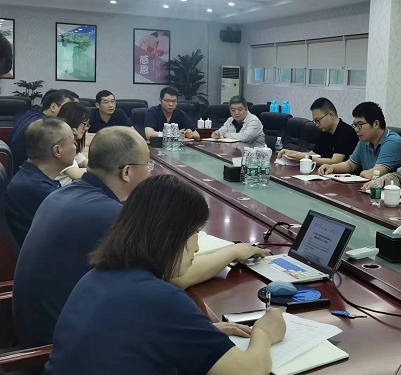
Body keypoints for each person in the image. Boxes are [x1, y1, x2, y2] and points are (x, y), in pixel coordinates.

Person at [13, 126, 270, 347]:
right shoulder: (110, 216)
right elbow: (176, 275)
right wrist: (233, 251)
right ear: (126, 172)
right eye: (147, 165)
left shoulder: (62, 194)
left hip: (41, 328)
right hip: (62, 344)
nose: (149, 172)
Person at [44, 175, 286, 375]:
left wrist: (196, 334)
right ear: (169, 236)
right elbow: (250, 371)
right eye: (194, 232)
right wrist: (264, 333)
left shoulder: (97, 276)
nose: (196, 247)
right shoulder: (161, 299)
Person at [6, 117, 76, 248]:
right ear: (57, 151)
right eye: (73, 142)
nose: (75, 146)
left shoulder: (29, 175)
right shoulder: (41, 191)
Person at [318, 101, 401, 180]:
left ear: (376, 124)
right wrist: (332, 167)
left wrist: (362, 173)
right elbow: (350, 165)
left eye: (360, 124)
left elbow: (374, 174)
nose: (356, 129)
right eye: (355, 125)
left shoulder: (393, 142)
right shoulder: (364, 141)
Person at [9, 89, 78, 173]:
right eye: (70, 108)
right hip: (29, 173)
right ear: (53, 107)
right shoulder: (44, 127)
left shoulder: (33, 114)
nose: (74, 113)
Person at [277, 97, 357, 165]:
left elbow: (335, 161)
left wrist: (306, 158)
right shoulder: (325, 131)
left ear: (331, 115)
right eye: (315, 121)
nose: (316, 125)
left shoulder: (346, 132)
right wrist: (290, 153)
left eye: (318, 120)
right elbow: (313, 154)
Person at [56, 102, 92, 185]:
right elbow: (75, 174)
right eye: (84, 124)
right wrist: (104, 172)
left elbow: (84, 162)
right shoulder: (61, 143)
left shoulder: (71, 143)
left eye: (87, 125)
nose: (86, 129)